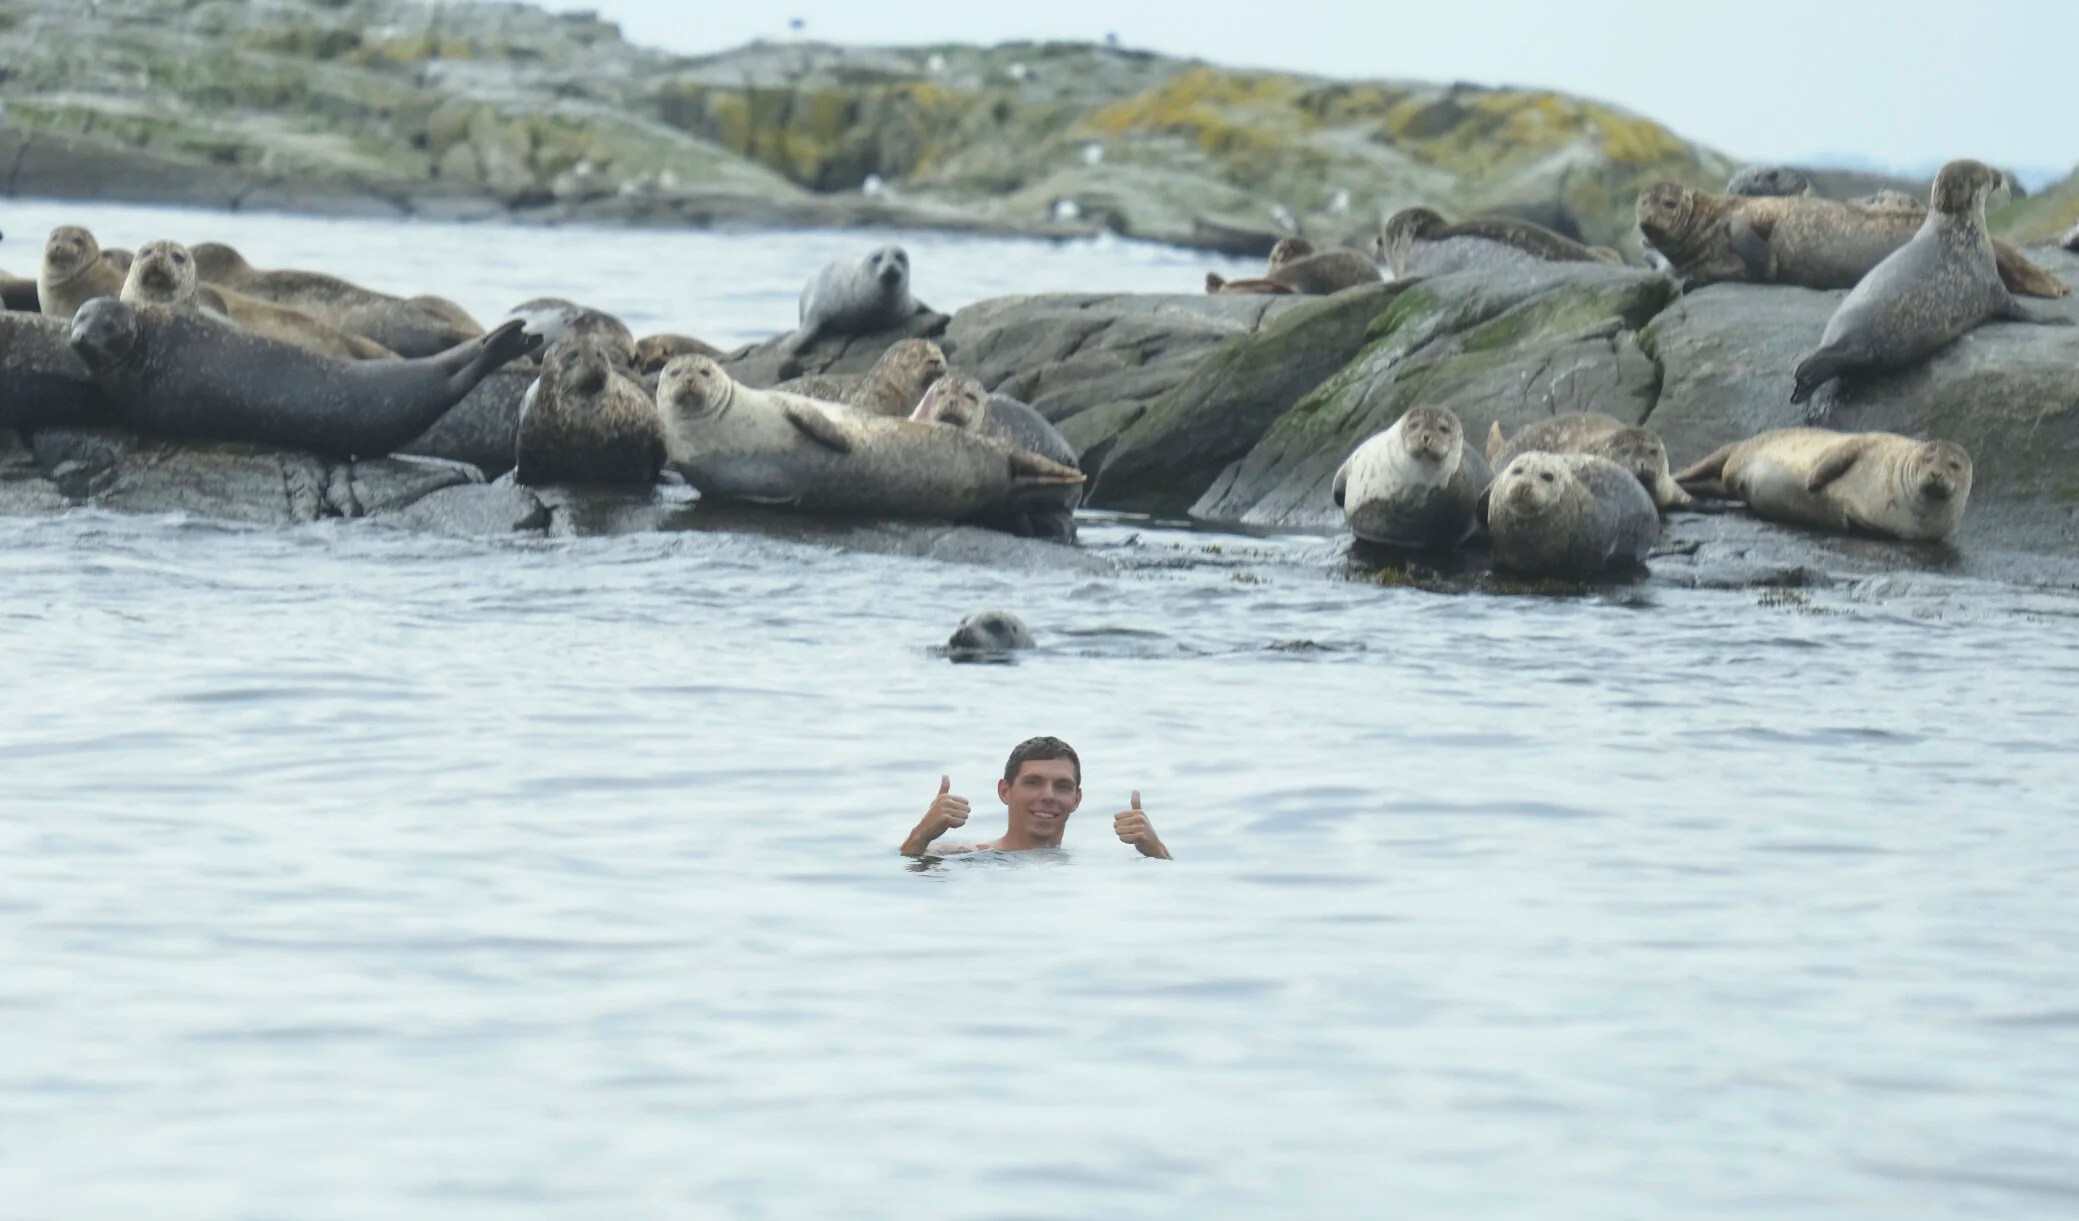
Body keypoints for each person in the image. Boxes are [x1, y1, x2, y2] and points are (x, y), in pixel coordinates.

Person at [900, 736, 1171, 859]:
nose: (1048, 796)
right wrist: (922, 834)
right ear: (1004, 791)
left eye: (1062, 786)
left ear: (1077, 799)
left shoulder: (1091, 864)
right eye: (1033, 783)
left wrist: (1155, 850)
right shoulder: (964, 855)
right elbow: (905, 883)